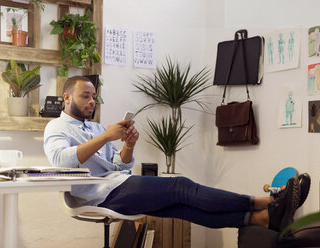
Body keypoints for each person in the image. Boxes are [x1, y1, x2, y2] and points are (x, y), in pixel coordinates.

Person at [44, 76, 310, 231]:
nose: (91, 102)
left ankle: (262, 220)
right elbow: (60, 162)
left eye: (93, 97)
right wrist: (105, 137)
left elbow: (119, 167)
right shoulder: (55, 127)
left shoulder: (96, 127)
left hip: (116, 184)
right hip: (99, 195)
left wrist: (128, 145)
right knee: (180, 186)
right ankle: (264, 202)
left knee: (182, 209)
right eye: (84, 96)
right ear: (66, 97)